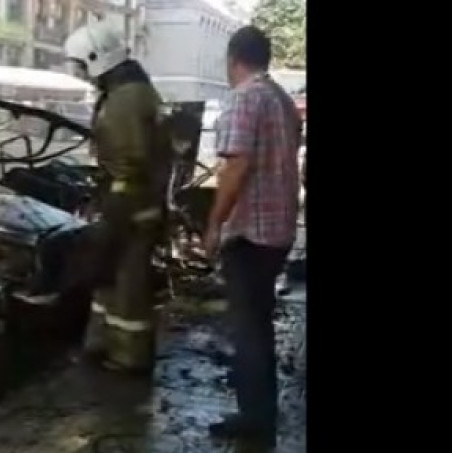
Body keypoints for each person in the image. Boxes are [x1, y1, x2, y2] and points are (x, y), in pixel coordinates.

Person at [203, 26, 301, 452]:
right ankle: (261, 406)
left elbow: (237, 166)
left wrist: (213, 223)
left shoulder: (245, 97)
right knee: (258, 320)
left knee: (249, 328)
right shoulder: (280, 97)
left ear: (233, 59)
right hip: (279, 229)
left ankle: (255, 417)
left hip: (252, 232)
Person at [63, 20, 172, 374]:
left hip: (132, 206)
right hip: (137, 203)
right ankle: (101, 344)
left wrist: (115, 211)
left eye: (82, 65)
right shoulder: (131, 89)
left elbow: (129, 162)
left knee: (127, 285)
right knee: (109, 278)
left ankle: (129, 358)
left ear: (97, 57)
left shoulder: (125, 99)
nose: (83, 75)